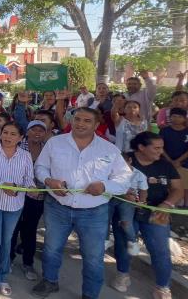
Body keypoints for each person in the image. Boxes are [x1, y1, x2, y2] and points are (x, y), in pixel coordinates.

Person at [31, 107, 131, 299]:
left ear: (96, 125)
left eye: (87, 120)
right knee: (51, 248)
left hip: (94, 212)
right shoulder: (55, 142)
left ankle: (90, 294)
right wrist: (49, 181)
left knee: (93, 258)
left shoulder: (109, 149)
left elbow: (125, 179)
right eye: (77, 119)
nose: (80, 124)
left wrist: (104, 186)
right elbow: (40, 167)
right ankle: (50, 281)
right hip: (57, 207)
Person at [110, 132, 183, 299]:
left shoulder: (165, 165)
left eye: (162, 148)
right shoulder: (124, 161)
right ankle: (123, 274)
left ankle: (163, 287)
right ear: (141, 147)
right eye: (156, 148)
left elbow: (178, 189)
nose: (161, 151)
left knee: (160, 251)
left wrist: (167, 205)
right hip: (127, 211)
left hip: (156, 214)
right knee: (125, 245)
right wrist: (123, 193)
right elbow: (109, 182)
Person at [0, 122, 34, 299]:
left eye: (13, 134)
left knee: (7, 242)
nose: (8, 137)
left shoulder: (26, 156)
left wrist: (28, 189)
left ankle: (3, 277)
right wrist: (1, 185)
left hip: (15, 206)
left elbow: (29, 180)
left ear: (20, 138)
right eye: (5, 132)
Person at [10, 120, 50, 281]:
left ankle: (28, 263)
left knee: (30, 230)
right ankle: (9, 258)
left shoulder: (48, 149)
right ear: (27, 132)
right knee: (13, 228)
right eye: (34, 129)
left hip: (37, 197)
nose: (37, 133)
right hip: (17, 194)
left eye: (41, 130)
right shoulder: (18, 147)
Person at [107, 154, 148, 255]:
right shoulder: (111, 172)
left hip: (128, 201)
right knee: (104, 220)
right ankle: (105, 240)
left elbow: (143, 190)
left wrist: (141, 202)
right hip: (111, 197)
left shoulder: (139, 175)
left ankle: (132, 241)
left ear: (130, 160)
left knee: (126, 222)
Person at [159, 108, 188, 208]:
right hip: (166, 161)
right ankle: (170, 203)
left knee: (187, 185)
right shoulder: (164, 131)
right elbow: (160, 147)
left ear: (184, 119)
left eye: (180, 116)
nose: (176, 118)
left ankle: (185, 204)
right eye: (174, 116)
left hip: (185, 162)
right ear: (170, 117)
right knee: (168, 184)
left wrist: (178, 161)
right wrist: (170, 161)